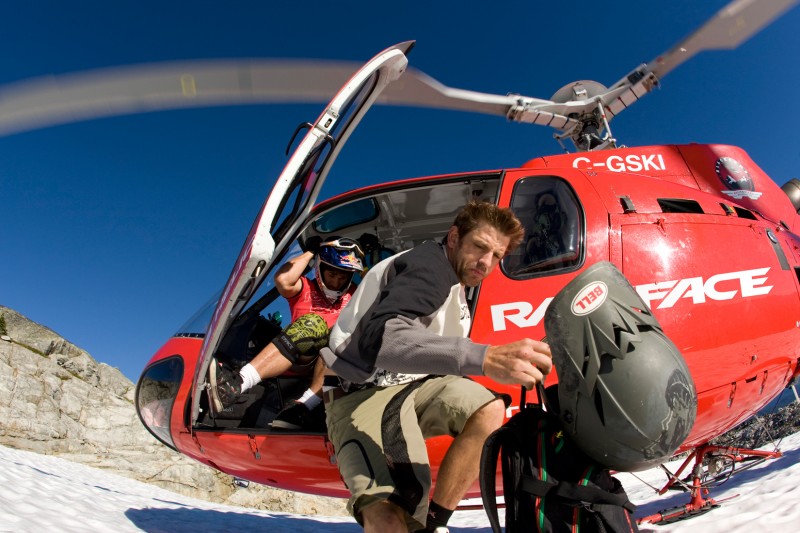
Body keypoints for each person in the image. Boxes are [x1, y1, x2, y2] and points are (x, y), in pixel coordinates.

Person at [320, 201, 553, 533]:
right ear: (455, 237)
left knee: (487, 409)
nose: (486, 262)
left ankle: (434, 523)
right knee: (389, 516)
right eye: (480, 247)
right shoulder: (429, 266)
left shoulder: (456, 288)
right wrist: (485, 358)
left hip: (411, 390)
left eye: (497, 255)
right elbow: (383, 340)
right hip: (362, 394)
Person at [209, 238, 365, 430]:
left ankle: (302, 408)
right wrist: (311, 251)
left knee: (342, 335)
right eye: (331, 274)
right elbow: (283, 279)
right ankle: (237, 384)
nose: (336, 282)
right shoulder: (305, 288)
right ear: (320, 269)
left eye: (342, 277)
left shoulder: (353, 294)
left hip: (330, 366)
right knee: (314, 325)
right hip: (299, 356)